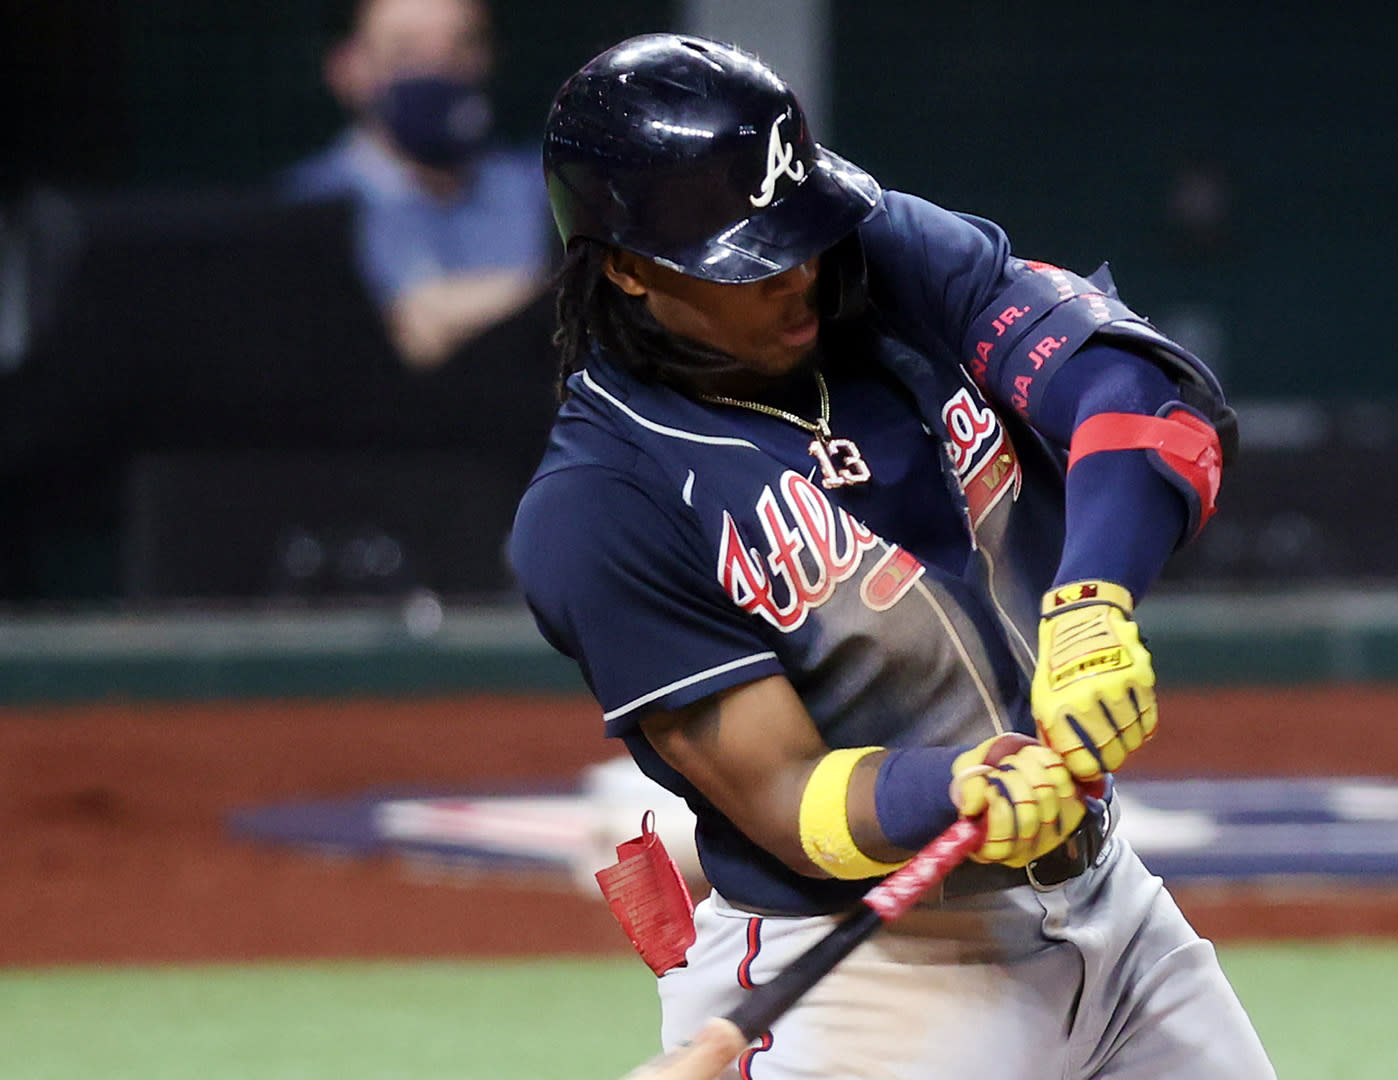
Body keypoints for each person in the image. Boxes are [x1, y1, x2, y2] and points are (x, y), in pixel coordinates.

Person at [510, 34, 1274, 1080]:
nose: (799, 273)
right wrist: (950, 786)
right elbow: (784, 797)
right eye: (753, 256)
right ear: (632, 270)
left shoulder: (883, 259)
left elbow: (1146, 403)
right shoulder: (599, 507)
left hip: (1115, 914)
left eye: (801, 232)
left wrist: (1093, 603)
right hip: (878, 977)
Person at [281, 0, 552, 371]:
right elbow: (395, 336)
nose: (437, 68)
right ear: (345, 67)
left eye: (463, 45)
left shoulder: (549, 187)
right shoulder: (307, 205)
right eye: (405, 51)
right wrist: (544, 295)